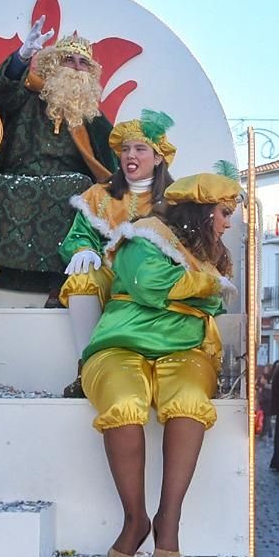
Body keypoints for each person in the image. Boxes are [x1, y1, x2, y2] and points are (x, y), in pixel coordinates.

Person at [80, 171, 239, 557]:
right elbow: (149, 284)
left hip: (186, 348)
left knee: (189, 400)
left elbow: (211, 302)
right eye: (223, 212)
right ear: (202, 211)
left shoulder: (211, 253)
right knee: (124, 402)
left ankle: (170, 517)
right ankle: (135, 519)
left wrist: (191, 289)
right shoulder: (143, 234)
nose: (228, 222)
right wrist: (204, 287)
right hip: (120, 343)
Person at [0, 19, 118, 294]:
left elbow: (113, 162)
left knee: (79, 188)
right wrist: (21, 58)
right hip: (14, 181)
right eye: (68, 60)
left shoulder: (92, 119)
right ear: (53, 65)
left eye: (82, 62)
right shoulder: (27, 96)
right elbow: (1, 91)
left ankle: (59, 282)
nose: (76, 68)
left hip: (66, 187)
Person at [57, 109, 176, 398]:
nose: (130, 155)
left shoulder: (175, 200)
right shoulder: (99, 195)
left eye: (139, 149)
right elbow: (79, 234)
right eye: (125, 149)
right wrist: (84, 249)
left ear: (158, 157)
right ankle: (87, 367)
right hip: (110, 274)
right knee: (80, 278)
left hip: (150, 281)